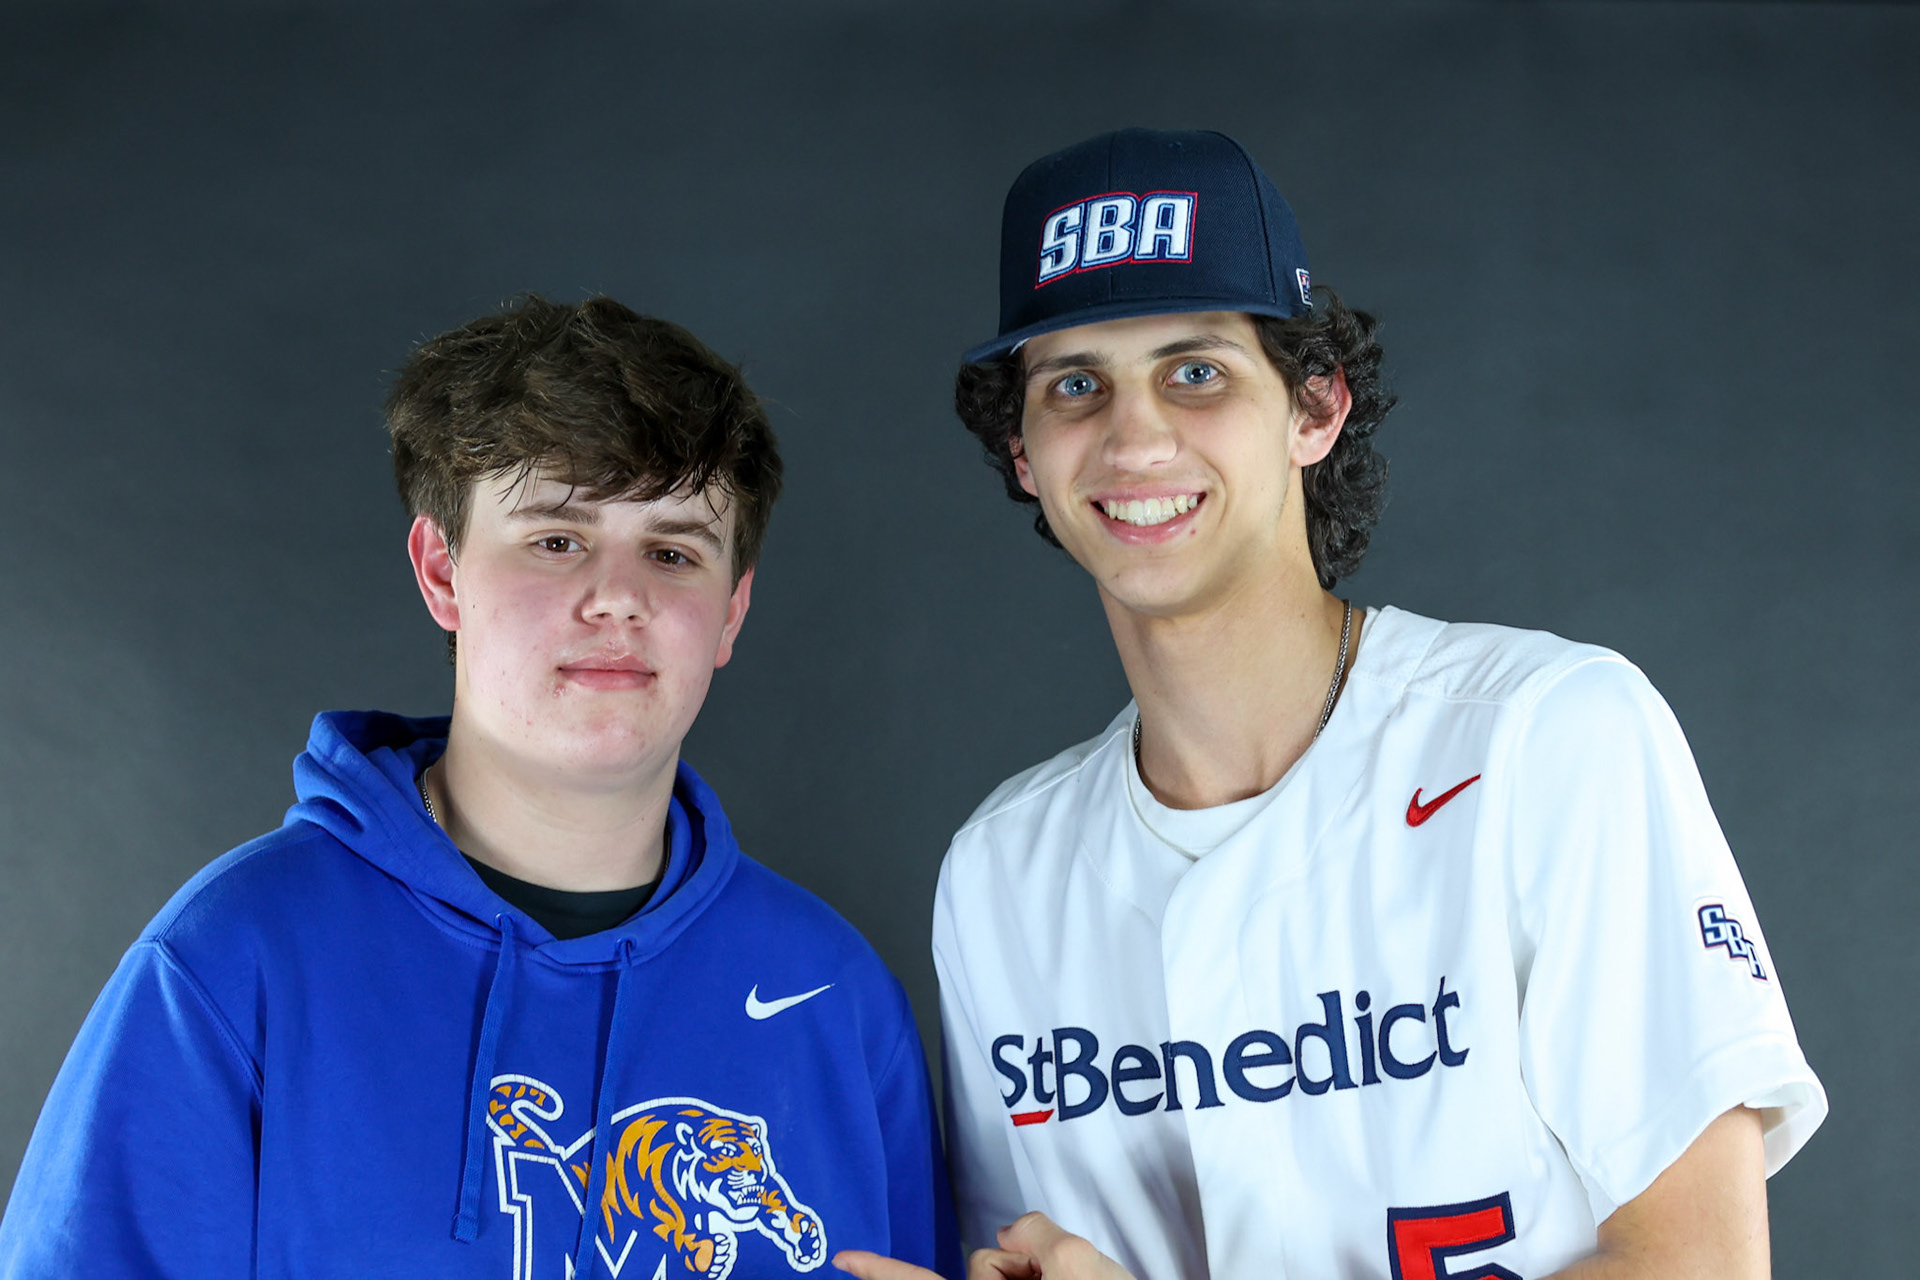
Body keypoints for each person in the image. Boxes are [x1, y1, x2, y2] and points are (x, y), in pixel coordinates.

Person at [834, 129, 1824, 1280]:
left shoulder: (1547, 735)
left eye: (1195, 370)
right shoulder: (1004, 871)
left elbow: (1699, 1264)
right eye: (1075, 383)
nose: (1134, 434)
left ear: (1316, 408)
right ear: (1022, 451)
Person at [0, 295, 960, 1280]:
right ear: (441, 570)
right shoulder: (230, 963)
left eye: (673, 551)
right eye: (557, 538)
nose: (620, 595)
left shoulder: (835, 995)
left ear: (730, 613)